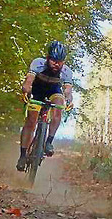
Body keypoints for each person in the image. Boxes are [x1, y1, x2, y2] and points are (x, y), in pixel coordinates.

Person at [16, 41, 73, 171]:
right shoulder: (38, 63)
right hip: (37, 92)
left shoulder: (66, 72)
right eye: (53, 60)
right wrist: (25, 90)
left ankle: (48, 142)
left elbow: (68, 90)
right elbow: (29, 81)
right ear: (47, 58)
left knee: (59, 106)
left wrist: (69, 100)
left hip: (54, 91)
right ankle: (23, 155)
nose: (56, 64)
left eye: (60, 61)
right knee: (31, 121)